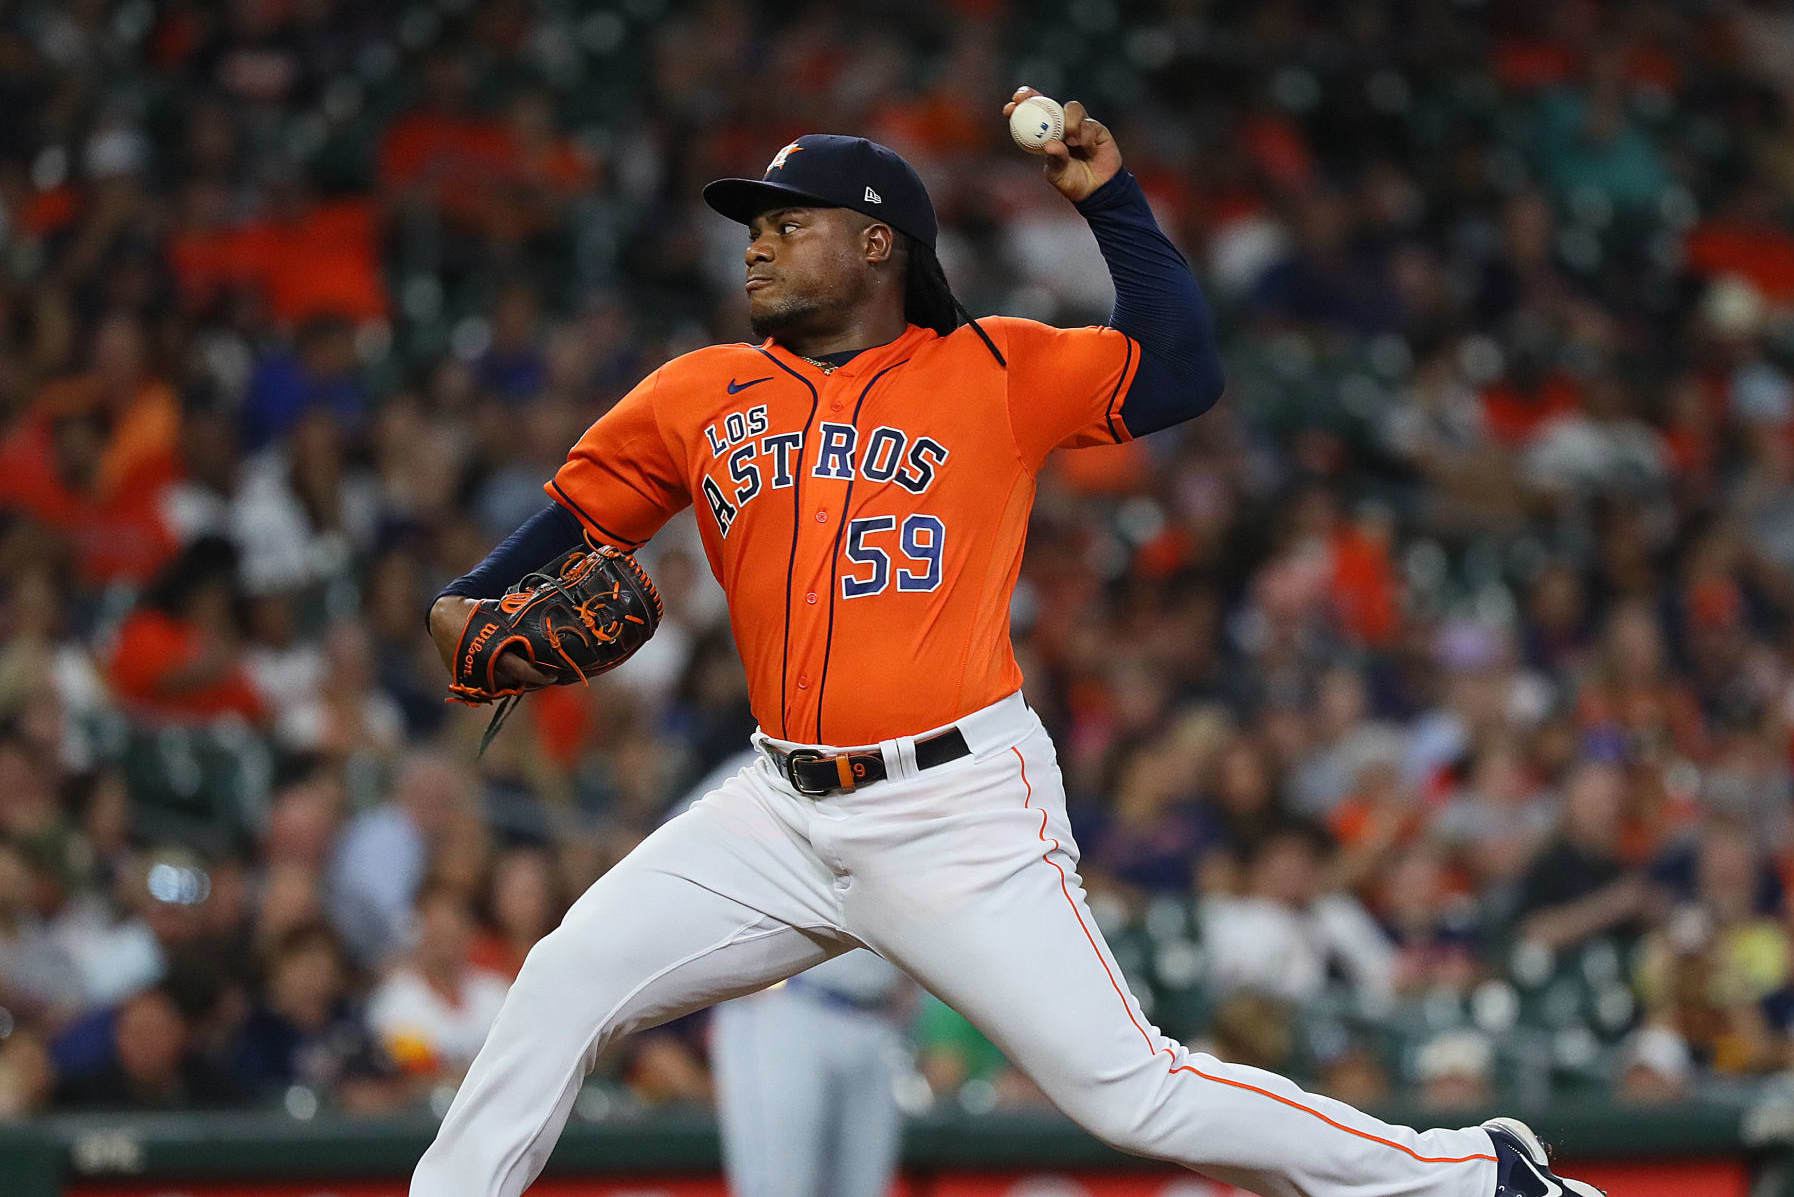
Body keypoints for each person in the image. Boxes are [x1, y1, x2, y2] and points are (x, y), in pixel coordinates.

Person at [416, 88, 1597, 1197]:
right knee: (562, 982)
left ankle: (1472, 1176)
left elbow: (1180, 367)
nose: (757, 245)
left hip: (955, 810)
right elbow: (561, 529)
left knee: (1132, 1095)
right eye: (752, 227)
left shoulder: (994, 368)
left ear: (878, 244)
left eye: (789, 223)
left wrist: (1110, 199)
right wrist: (461, 608)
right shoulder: (697, 393)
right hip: (775, 811)